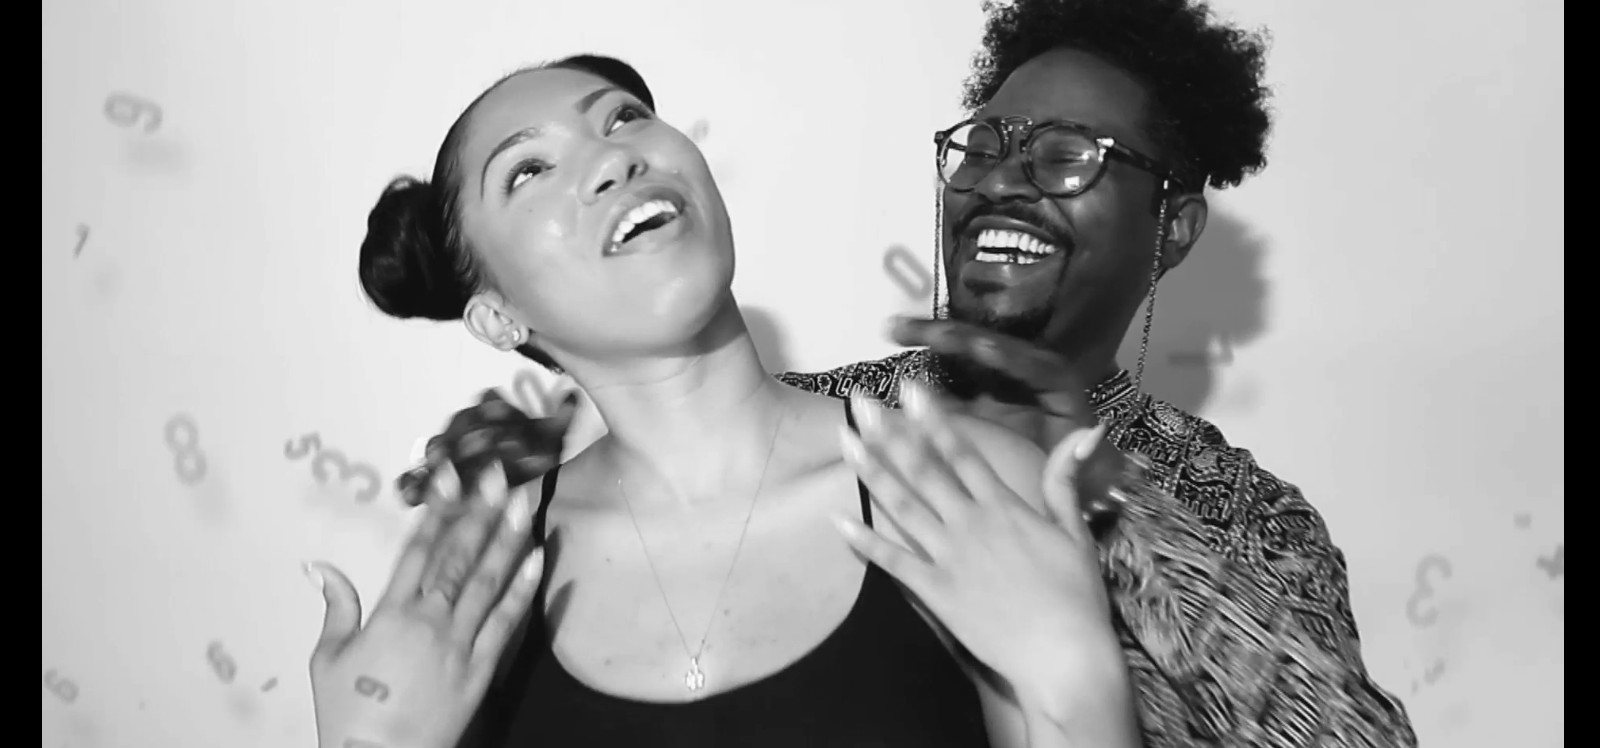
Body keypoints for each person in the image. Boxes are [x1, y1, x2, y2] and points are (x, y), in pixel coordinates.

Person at [399, 1, 1421, 746]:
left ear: (1173, 228)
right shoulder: (856, 418)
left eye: (1069, 155)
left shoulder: (1241, 512)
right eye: (987, 144)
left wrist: (1115, 513)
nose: (1007, 181)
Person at [306, 53, 1148, 748]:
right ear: (497, 316)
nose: (613, 159)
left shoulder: (962, 486)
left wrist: (1080, 687)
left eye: (624, 118)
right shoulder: (476, 579)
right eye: (529, 170)